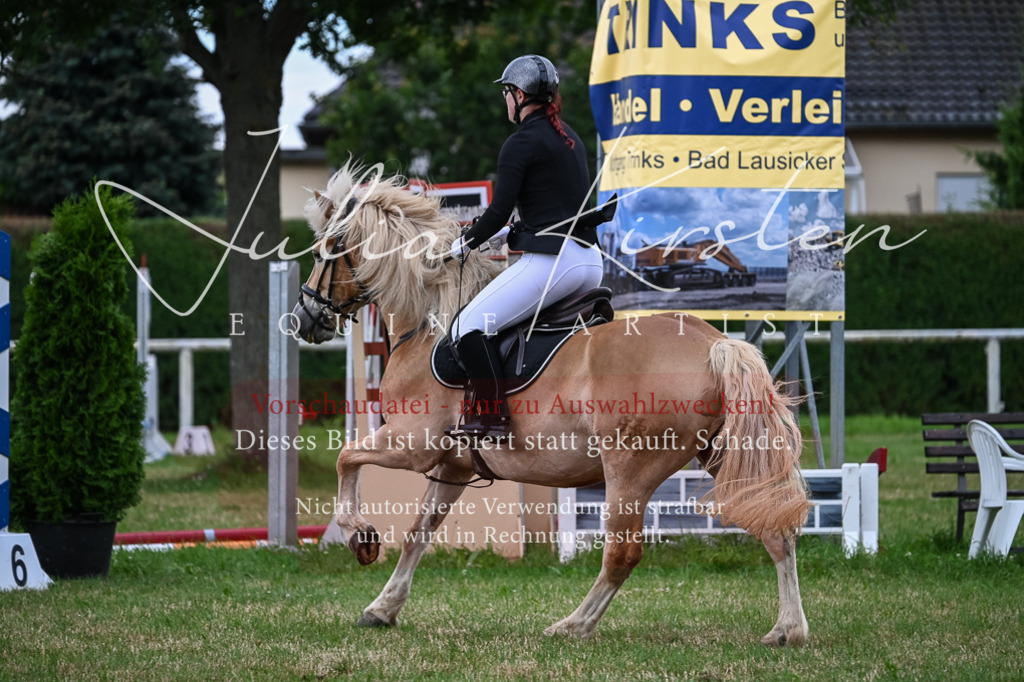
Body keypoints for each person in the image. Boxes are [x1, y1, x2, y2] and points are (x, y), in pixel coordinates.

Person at [447, 55, 604, 441]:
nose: (505, 101)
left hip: (554, 263)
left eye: (506, 93)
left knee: (468, 327)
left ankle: (491, 418)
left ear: (519, 94)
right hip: (591, 261)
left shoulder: (520, 142)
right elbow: (554, 206)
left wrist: (464, 244)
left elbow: (498, 211)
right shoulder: (570, 137)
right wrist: (514, 231)